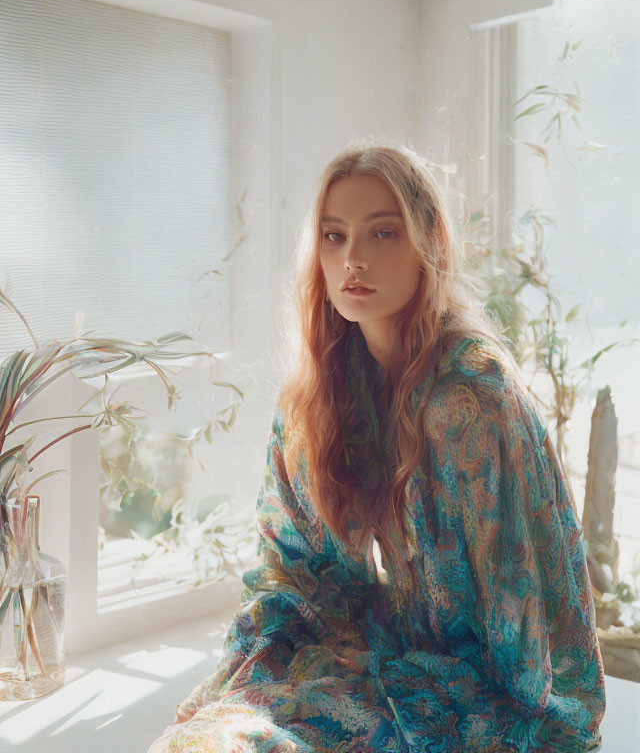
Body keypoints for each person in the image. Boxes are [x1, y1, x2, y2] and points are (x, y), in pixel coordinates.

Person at [147, 142, 606, 753]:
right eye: (333, 237)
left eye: (382, 233)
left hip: (487, 690)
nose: (353, 259)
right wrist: (276, 662)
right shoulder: (323, 392)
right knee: (208, 738)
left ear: (429, 245)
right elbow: (293, 568)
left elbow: (526, 613)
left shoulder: (471, 396)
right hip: (381, 653)